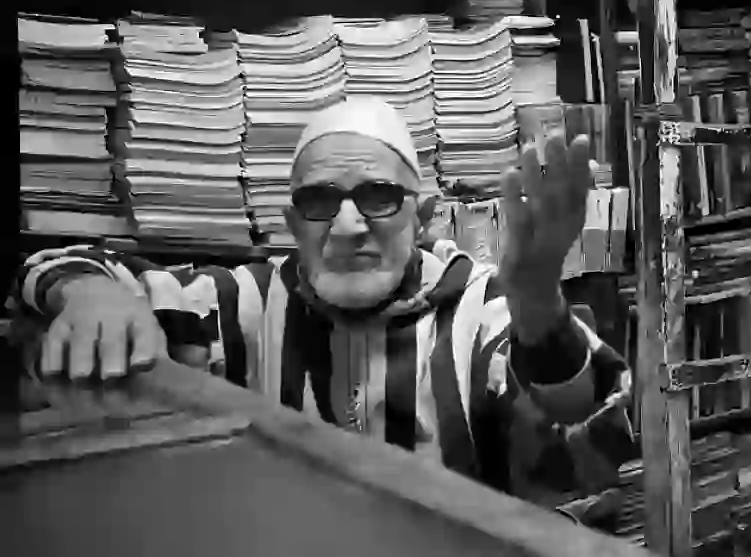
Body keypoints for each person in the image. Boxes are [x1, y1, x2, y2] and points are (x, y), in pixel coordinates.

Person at [10, 97, 635, 512]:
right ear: (291, 222)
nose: (345, 226)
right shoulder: (249, 302)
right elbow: (54, 269)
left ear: (422, 218)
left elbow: (591, 437)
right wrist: (89, 292)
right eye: (319, 202)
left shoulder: (479, 304)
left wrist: (536, 305)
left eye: (378, 197)